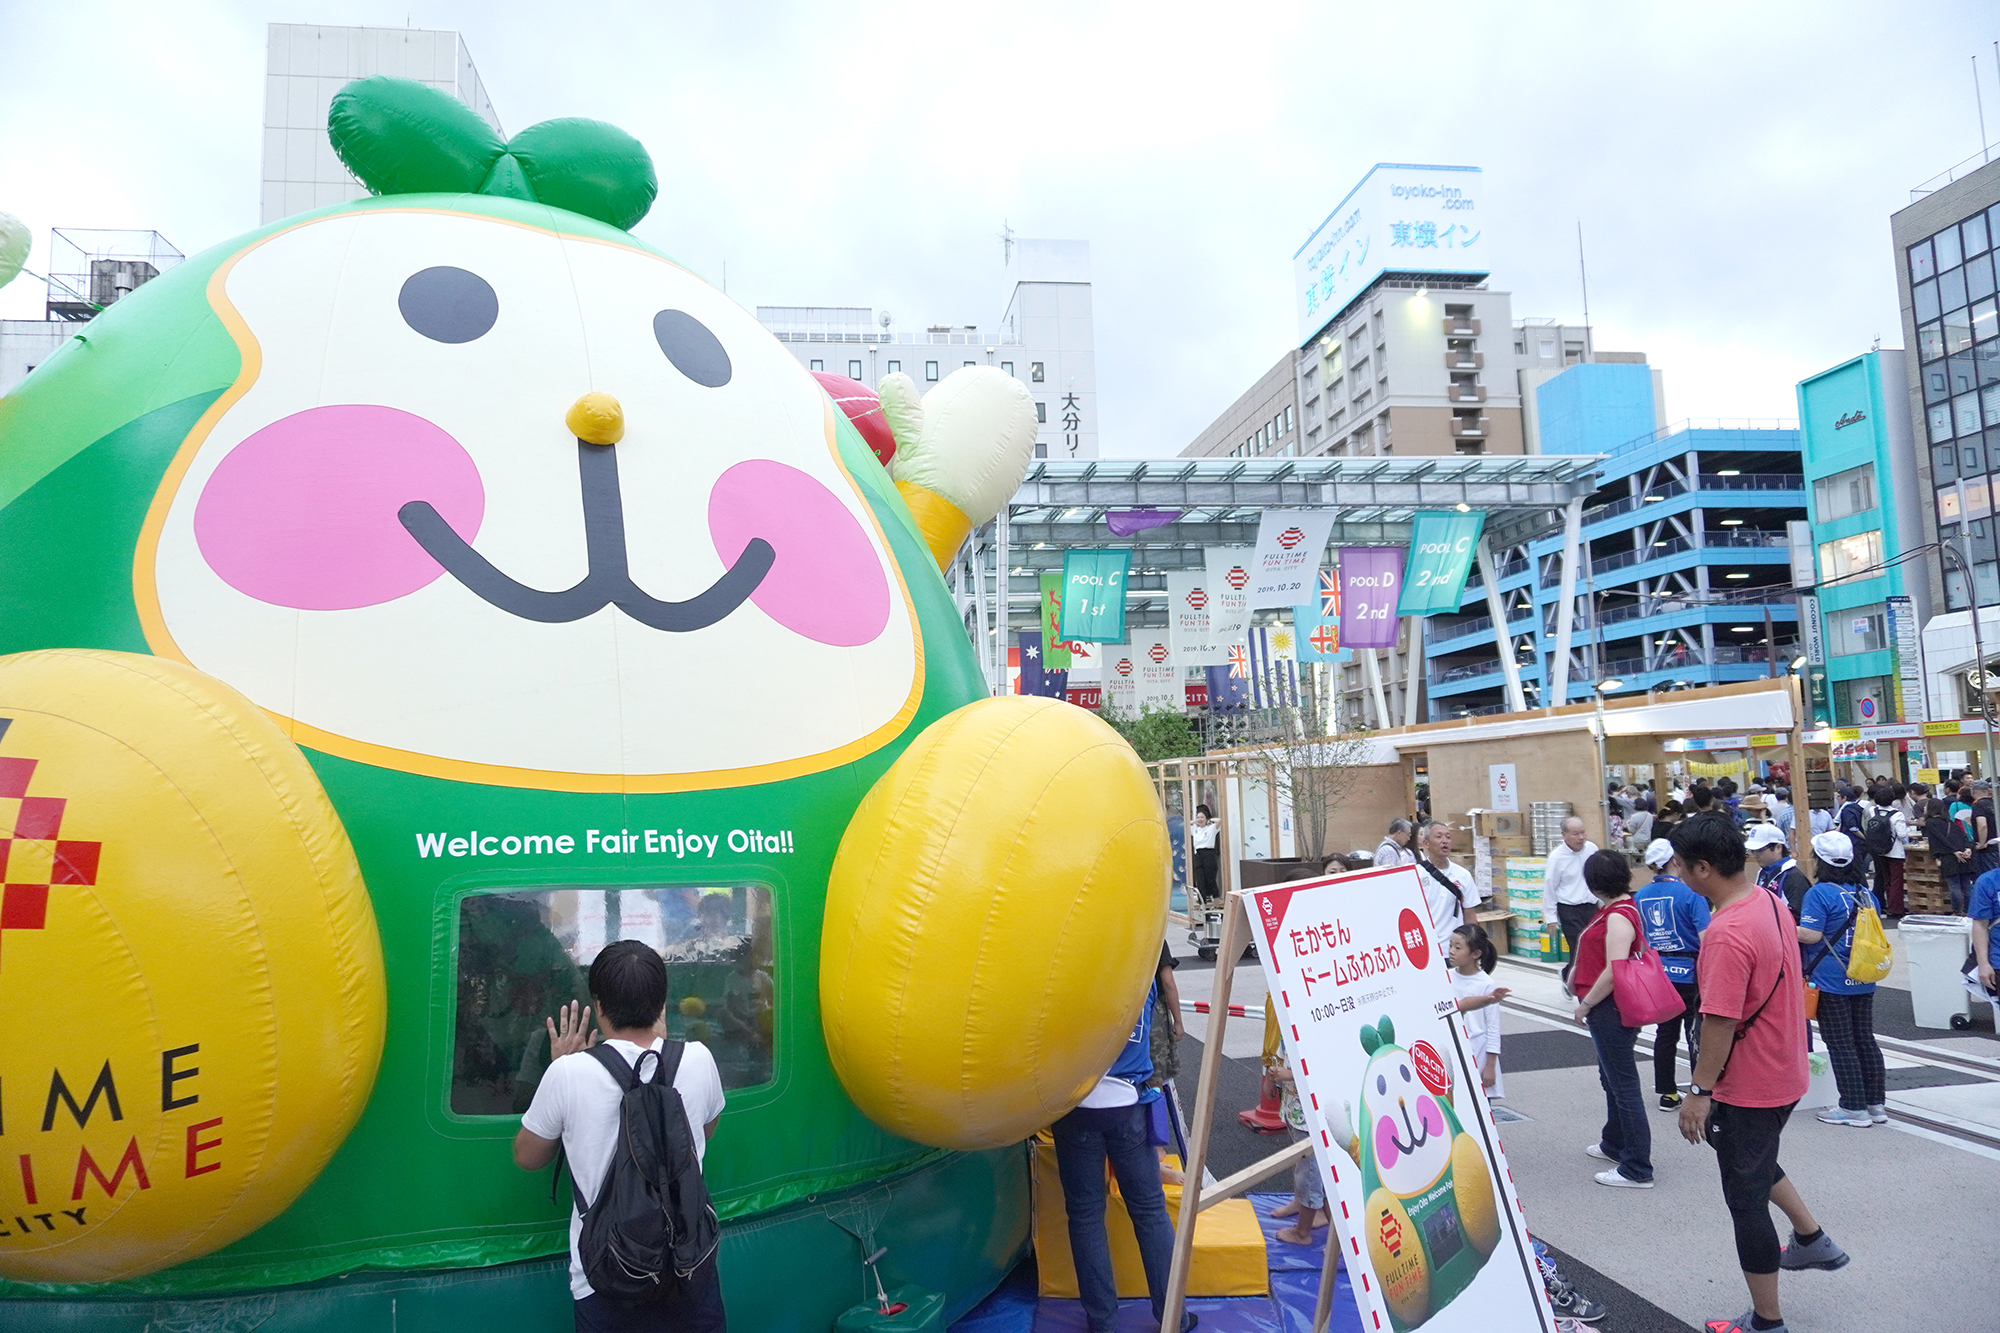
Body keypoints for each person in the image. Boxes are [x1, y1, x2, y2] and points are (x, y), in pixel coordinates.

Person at [1669, 817, 1846, 1333]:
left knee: (1744, 1201)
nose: (1677, 872)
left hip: (1750, 1081)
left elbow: (1719, 1021)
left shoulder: (1725, 933)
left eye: (1681, 865)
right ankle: (1812, 1240)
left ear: (1703, 868)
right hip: (1785, 1065)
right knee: (1750, 1155)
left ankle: (1767, 1322)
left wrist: (1698, 1093)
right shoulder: (1767, 899)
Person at [514, 941, 729, 1333]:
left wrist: (560, 1067)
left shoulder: (567, 1074)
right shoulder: (698, 1058)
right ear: (662, 1003)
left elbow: (527, 1156)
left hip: (607, 1276)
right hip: (690, 1267)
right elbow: (706, 1129)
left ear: (598, 1006)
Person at [1051, 957, 1197, 1333]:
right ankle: (1173, 1317)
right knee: (1149, 1212)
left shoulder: (1064, 970)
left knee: (1085, 1216)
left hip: (1076, 1105)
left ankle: (1103, 1321)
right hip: (1129, 1101)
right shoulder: (1138, 964)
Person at [1570, 850, 1652, 1187]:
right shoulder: (1616, 909)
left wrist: (1586, 1003)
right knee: (1612, 1080)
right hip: (1612, 1006)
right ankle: (1614, 1142)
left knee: (1624, 1085)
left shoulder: (1617, 915)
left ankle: (1637, 1166)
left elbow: (1614, 969)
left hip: (1610, 1007)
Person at [1798, 832, 1887, 1128]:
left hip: (1831, 977)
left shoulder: (1819, 893)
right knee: (1864, 1039)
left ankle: (1852, 1107)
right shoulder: (1865, 892)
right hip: (1863, 973)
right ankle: (1875, 1104)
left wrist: (1782, 924)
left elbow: (1810, 935)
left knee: (1840, 1043)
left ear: (1819, 860)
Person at [1636, 838, 1709, 1110]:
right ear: (1675, 860)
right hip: (1690, 971)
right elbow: (1707, 937)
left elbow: (1640, 938)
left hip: (1659, 972)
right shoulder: (1692, 894)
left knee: (1665, 1033)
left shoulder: (1640, 895)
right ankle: (1698, 1089)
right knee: (1695, 1033)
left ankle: (1667, 1092)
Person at [1449, 924, 1509, 1097]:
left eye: (1458, 947)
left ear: (1476, 954)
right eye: (1451, 946)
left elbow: (1492, 1027)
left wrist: (1490, 1066)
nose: (1452, 951)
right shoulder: (1446, 977)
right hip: (1453, 1049)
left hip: (1478, 1052)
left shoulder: (1486, 984)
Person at [1148, 942, 1187, 1184]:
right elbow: (1168, 981)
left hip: (1118, 1015)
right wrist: (1178, 1020)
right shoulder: (1153, 931)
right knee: (1154, 1083)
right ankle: (1156, 1151)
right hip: (1150, 1016)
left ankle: (1154, 1151)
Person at [1414, 817, 1484, 940]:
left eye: (1448, 837)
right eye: (1439, 837)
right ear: (1426, 843)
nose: (1444, 841)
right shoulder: (1416, 874)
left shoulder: (1463, 875)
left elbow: (1470, 915)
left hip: (1454, 948)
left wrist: (1472, 943)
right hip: (1429, 948)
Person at [1547, 815, 1600, 969]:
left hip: (1591, 905)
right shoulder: (1556, 858)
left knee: (1594, 945)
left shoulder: (1592, 849)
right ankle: (1574, 981)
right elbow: (1550, 888)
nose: (1581, 837)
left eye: (1583, 832)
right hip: (1569, 909)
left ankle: (1572, 975)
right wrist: (1550, 917)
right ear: (1564, 835)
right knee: (1578, 948)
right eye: (1576, 834)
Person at [1926, 794, 1975, 916]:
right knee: (1966, 886)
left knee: (1954, 886)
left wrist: (1954, 851)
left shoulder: (1931, 822)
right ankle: (1969, 910)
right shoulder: (1951, 823)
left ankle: (1958, 911)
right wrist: (1968, 849)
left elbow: (1940, 839)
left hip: (1949, 856)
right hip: (1964, 854)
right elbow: (1964, 837)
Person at [1188, 804, 1220, 904]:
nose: (1200, 819)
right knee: (1200, 880)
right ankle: (1202, 903)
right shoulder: (1195, 829)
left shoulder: (1211, 828)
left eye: (1202, 817)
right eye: (1198, 817)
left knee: (1211, 880)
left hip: (1209, 854)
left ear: (1206, 818)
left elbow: (1219, 821)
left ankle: (1217, 904)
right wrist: (1195, 822)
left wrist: (1209, 821)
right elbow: (1186, 824)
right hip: (1198, 855)